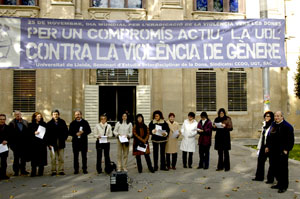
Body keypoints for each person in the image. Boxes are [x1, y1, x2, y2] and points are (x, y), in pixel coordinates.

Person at [266, 111, 294, 193]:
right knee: (274, 168)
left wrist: (287, 149)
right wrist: (267, 146)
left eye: (278, 116)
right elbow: (269, 136)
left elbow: (290, 140)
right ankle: (279, 183)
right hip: (273, 151)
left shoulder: (287, 126)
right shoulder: (273, 124)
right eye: (275, 116)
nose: (276, 118)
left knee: (283, 169)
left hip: (282, 151)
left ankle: (283, 186)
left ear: (282, 117)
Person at [252, 111, 274, 182]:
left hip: (270, 146)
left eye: (268, 116)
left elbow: (271, 138)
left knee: (272, 163)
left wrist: (268, 146)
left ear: (271, 117)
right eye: (265, 116)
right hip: (263, 145)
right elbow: (262, 137)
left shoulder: (273, 126)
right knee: (260, 161)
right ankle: (259, 177)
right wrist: (259, 147)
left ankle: (270, 179)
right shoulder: (264, 125)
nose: (266, 118)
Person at [46, 110, 69, 176]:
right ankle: (53, 170)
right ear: (52, 115)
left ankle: (61, 170)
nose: (55, 115)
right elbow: (47, 135)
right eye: (54, 114)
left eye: (56, 114)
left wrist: (64, 139)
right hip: (52, 144)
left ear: (58, 115)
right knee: (53, 158)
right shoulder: (49, 124)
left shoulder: (62, 122)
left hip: (61, 143)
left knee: (61, 158)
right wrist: (48, 144)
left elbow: (66, 132)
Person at [8, 111, 30, 176]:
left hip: (24, 144)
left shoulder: (25, 122)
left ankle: (23, 170)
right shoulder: (12, 123)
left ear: (21, 115)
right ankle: (16, 171)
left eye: (19, 114)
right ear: (14, 115)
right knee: (16, 159)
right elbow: (10, 135)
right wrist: (11, 145)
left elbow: (28, 133)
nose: (18, 115)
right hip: (16, 145)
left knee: (23, 158)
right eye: (16, 114)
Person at [29, 112, 48, 177]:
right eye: (37, 116)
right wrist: (34, 133)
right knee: (34, 158)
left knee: (41, 158)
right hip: (34, 144)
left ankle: (40, 172)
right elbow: (27, 134)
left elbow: (47, 134)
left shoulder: (44, 124)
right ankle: (33, 172)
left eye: (40, 116)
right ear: (34, 117)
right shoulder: (31, 125)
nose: (39, 117)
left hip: (42, 144)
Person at [0, 114, 10, 180]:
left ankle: (3, 175)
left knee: (4, 161)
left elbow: (11, 136)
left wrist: (7, 141)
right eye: (1, 119)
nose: (2, 120)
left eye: (3, 119)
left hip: (4, 147)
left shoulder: (8, 127)